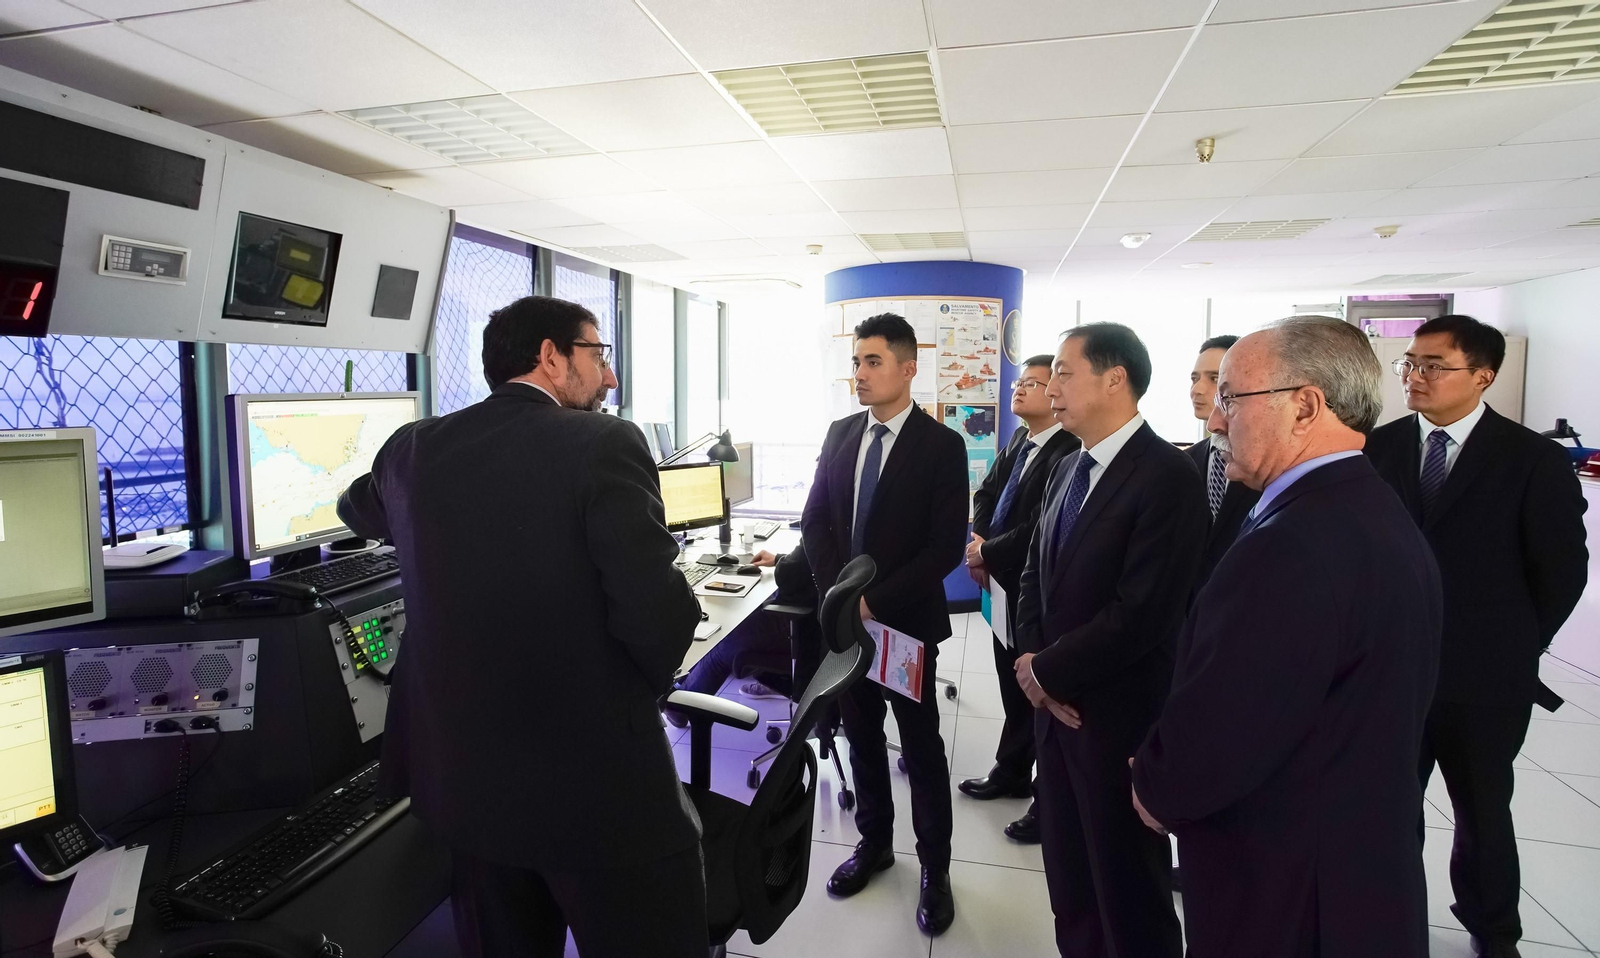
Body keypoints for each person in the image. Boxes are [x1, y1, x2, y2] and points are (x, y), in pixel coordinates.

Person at [336, 296, 706, 958]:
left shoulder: (413, 449)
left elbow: (354, 508)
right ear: (551, 357)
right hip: (598, 799)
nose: (610, 377)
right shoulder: (606, 443)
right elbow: (661, 622)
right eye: (600, 355)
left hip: (469, 799)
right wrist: (635, 690)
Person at [1131, 316, 1443, 958]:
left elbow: (1231, 723)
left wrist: (1156, 787)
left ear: (1304, 407)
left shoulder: (1292, 547)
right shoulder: (1368, 509)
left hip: (1288, 888)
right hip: (1352, 864)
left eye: (1230, 399)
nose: (1215, 420)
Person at [1366, 315, 1588, 958]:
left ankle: (1494, 931)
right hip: (1391, 672)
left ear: (1483, 376)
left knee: (1483, 811)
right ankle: (1388, 920)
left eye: (1433, 364)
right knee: (1386, 808)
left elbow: (1561, 572)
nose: (1414, 376)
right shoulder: (1376, 449)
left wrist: (1515, 648)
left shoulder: (1532, 459)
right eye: (1409, 363)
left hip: (1485, 680)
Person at [1013, 323, 1206, 958]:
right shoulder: (1068, 465)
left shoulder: (1166, 476)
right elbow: (1037, 574)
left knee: (1126, 878)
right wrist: (1030, 663)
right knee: (1068, 872)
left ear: (1114, 378)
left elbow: (1142, 612)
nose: (1051, 387)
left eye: (1065, 373)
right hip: (1055, 709)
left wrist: (1049, 674)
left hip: (1117, 714)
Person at [801, 312, 967, 936]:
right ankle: (874, 844)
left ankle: (936, 868)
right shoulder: (842, 433)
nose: (860, 375)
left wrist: (873, 601)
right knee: (860, 733)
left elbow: (943, 547)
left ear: (907, 367)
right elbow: (816, 518)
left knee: (920, 746)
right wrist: (837, 594)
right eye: (855, 362)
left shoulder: (940, 446)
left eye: (873, 362)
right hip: (847, 624)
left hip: (904, 627)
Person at [959, 354, 1080, 845]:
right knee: (1011, 683)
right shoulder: (1019, 439)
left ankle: (1044, 797)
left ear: (1055, 394)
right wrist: (979, 543)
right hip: (1001, 583)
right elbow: (988, 492)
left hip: (1035, 587)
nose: (1021, 390)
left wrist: (987, 549)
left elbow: (1038, 528)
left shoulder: (1068, 451)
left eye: (1034, 383)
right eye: (1020, 382)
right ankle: (1011, 770)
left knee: (1037, 690)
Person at [665, 546, 816, 725]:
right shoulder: (842, 519)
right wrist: (780, 559)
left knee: (725, 640)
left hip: (804, 621)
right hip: (815, 612)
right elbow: (811, 559)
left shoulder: (819, 517)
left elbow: (788, 573)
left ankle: (680, 708)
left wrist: (783, 562)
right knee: (736, 617)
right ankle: (678, 686)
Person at [1186, 334, 1260, 589]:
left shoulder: (1266, 463)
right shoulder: (1184, 462)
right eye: (1194, 378)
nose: (1197, 389)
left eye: (1214, 378)